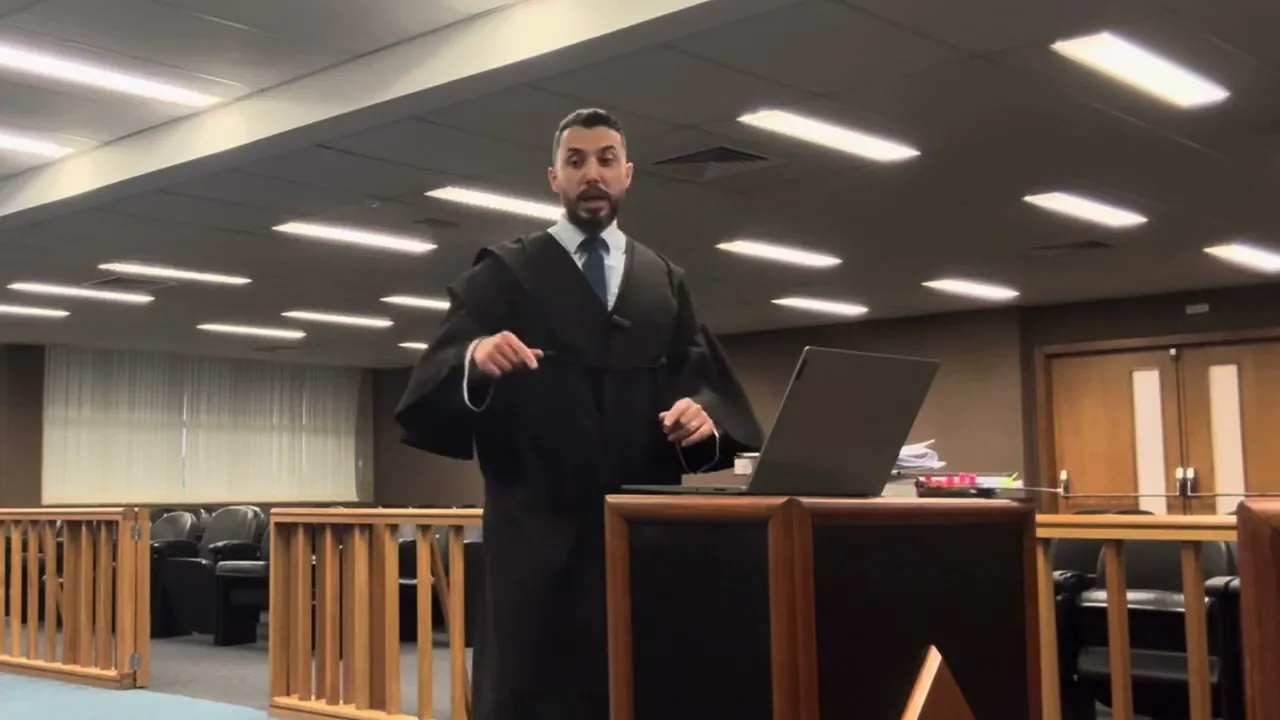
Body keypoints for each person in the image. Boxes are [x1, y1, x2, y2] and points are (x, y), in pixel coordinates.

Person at [395, 108, 763, 720]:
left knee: (640, 683)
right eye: (576, 161)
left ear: (627, 174)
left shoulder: (663, 282)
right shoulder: (507, 272)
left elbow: (704, 383)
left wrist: (702, 416)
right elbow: (436, 373)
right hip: (535, 534)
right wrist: (476, 358)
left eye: (606, 160)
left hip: (639, 535)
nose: (592, 173)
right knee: (533, 691)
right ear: (554, 178)